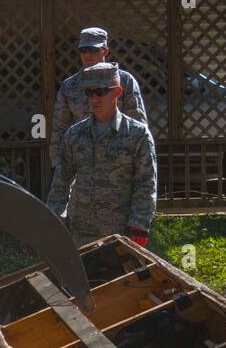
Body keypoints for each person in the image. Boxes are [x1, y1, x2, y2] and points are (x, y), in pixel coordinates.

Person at [46, 62, 157, 248]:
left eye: (101, 92)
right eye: (89, 93)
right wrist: (55, 219)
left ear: (117, 92)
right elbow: (61, 182)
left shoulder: (137, 134)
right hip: (80, 233)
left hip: (120, 234)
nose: (94, 99)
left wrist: (138, 226)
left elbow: (146, 184)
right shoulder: (74, 135)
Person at [52, 27, 148, 164]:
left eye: (93, 49)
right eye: (83, 50)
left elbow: (138, 124)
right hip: (83, 163)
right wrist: (57, 165)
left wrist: (140, 162)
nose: (87, 55)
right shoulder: (69, 86)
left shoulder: (124, 81)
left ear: (105, 51)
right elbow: (59, 129)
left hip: (119, 161)